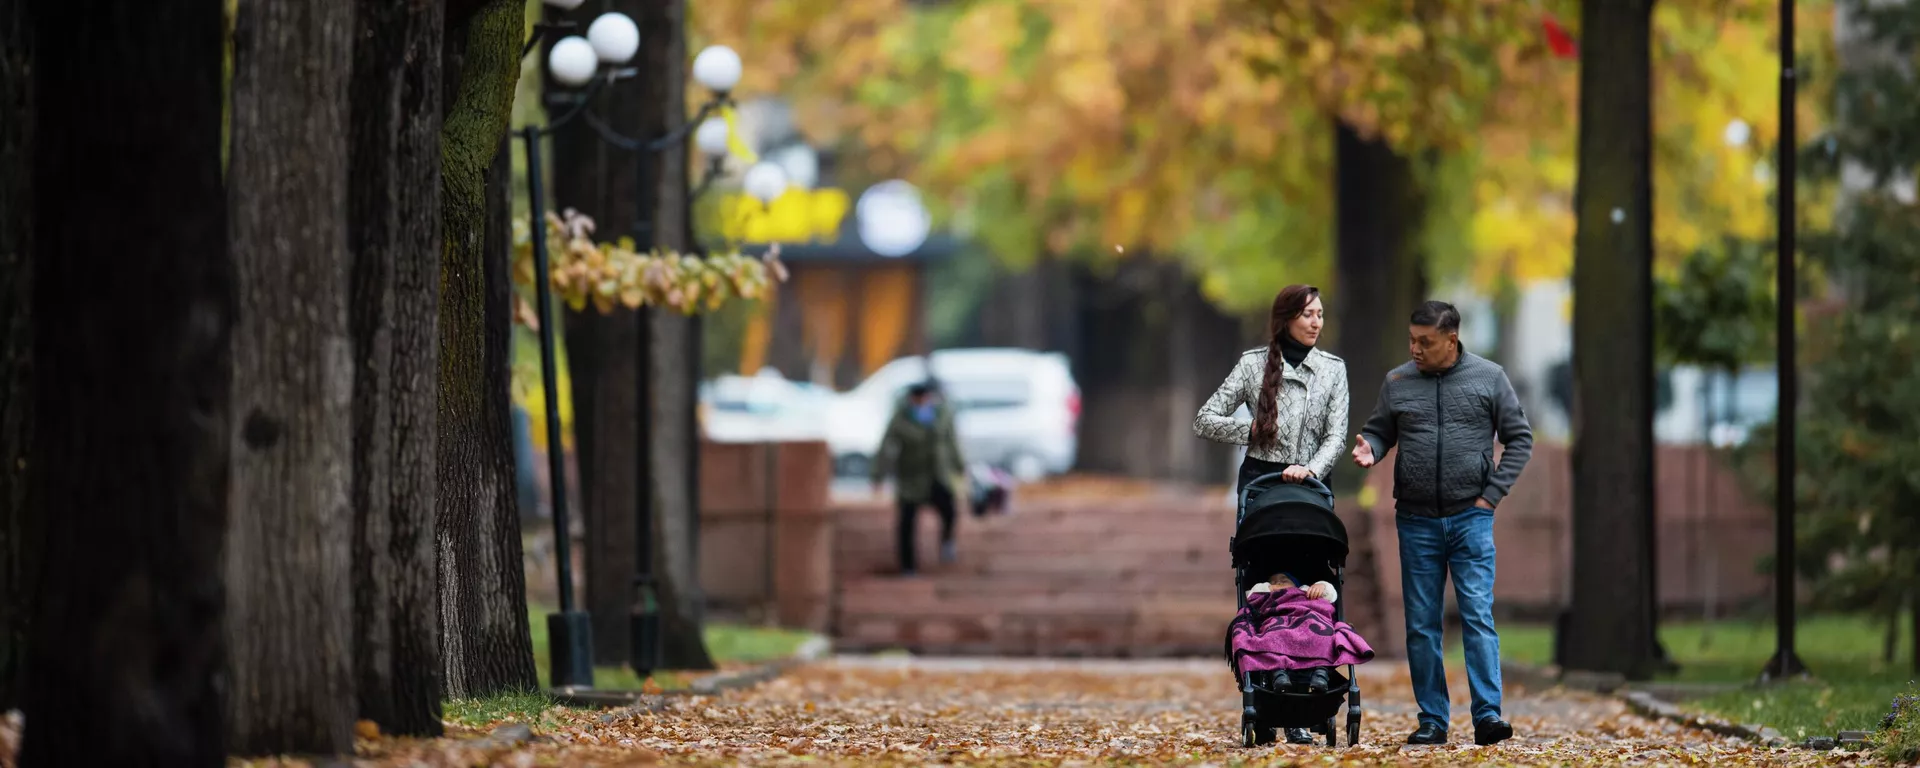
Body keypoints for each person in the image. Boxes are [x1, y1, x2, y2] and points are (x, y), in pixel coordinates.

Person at [1350, 300, 1533, 747]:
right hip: (1416, 521)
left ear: (1451, 340)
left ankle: (1488, 716)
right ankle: (1432, 719)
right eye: (1411, 340)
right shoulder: (1397, 382)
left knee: (1476, 615)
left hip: (1471, 518)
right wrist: (1371, 448)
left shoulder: (1489, 378)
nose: (1415, 349)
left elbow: (1519, 438)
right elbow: (1380, 430)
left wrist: (1491, 497)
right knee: (1422, 624)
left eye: (1425, 342)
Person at [1194, 284, 1350, 501]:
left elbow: (1336, 436)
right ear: (1286, 320)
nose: (1316, 323)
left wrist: (1311, 470)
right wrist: (1251, 430)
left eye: (1320, 315)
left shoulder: (1333, 369)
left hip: (1312, 486)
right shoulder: (1251, 364)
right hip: (1259, 486)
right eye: (1307, 315)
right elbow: (1203, 421)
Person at [871, 380, 967, 576]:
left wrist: (960, 467)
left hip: (937, 474)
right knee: (907, 523)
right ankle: (908, 566)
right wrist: (878, 474)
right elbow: (886, 447)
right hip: (911, 478)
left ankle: (947, 541)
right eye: (918, 398)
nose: (922, 401)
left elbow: (951, 442)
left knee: (949, 511)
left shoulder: (942, 414)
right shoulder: (900, 418)